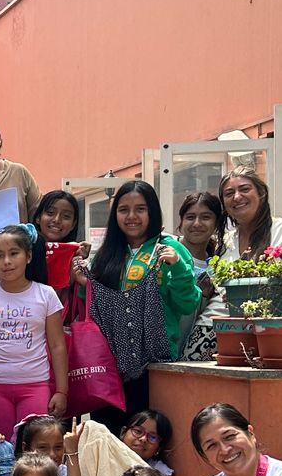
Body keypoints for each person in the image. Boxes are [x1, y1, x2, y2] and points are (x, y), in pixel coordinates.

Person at [75, 180, 200, 420]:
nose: (132, 216)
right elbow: (92, 307)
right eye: (124, 210)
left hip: (155, 365)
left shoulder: (170, 248)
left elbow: (187, 304)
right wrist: (83, 284)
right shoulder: (106, 254)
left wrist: (179, 267)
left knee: (148, 440)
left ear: (152, 212)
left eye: (140, 209)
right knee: (109, 440)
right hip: (108, 367)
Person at [0, 225, 68, 431]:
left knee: (34, 452)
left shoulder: (46, 295)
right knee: (0, 448)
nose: (6, 262)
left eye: (14, 254)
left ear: (28, 256)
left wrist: (62, 391)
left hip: (35, 385)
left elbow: (57, 346)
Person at [218, 166, 282, 261]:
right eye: (229, 193)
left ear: (261, 194)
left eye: (245, 189)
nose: (237, 197)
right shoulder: (225, 243)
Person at [176, 190, 228, 360]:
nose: (197, 223)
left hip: (192, 358)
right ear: (181, 222)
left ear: (216, 223)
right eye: (190, 217)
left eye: (205, 217)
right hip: (161, 352)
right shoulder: (167, 253)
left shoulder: (218, 265)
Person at [119, 409, 175, 476]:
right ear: (123, 433)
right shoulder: (105, 452)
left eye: (153, 437)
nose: (143, 439)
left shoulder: (160, 475)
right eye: (138, 431)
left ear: (158, 449)